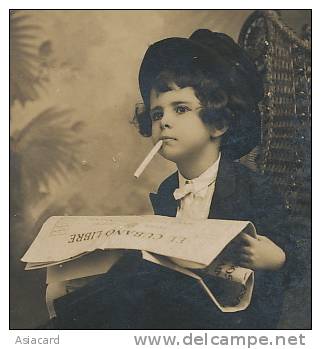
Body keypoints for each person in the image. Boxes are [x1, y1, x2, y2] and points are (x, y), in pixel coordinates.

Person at [51, 29, 292, 330]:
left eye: (180, 109)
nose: (163, 121)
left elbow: (295, 260)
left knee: (131, 292)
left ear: (218, 122)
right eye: (156, 114)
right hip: (172, 307)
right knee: (116, 284)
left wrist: (277, 258)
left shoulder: (253, 187)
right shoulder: (168, 190)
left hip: (227, 319)